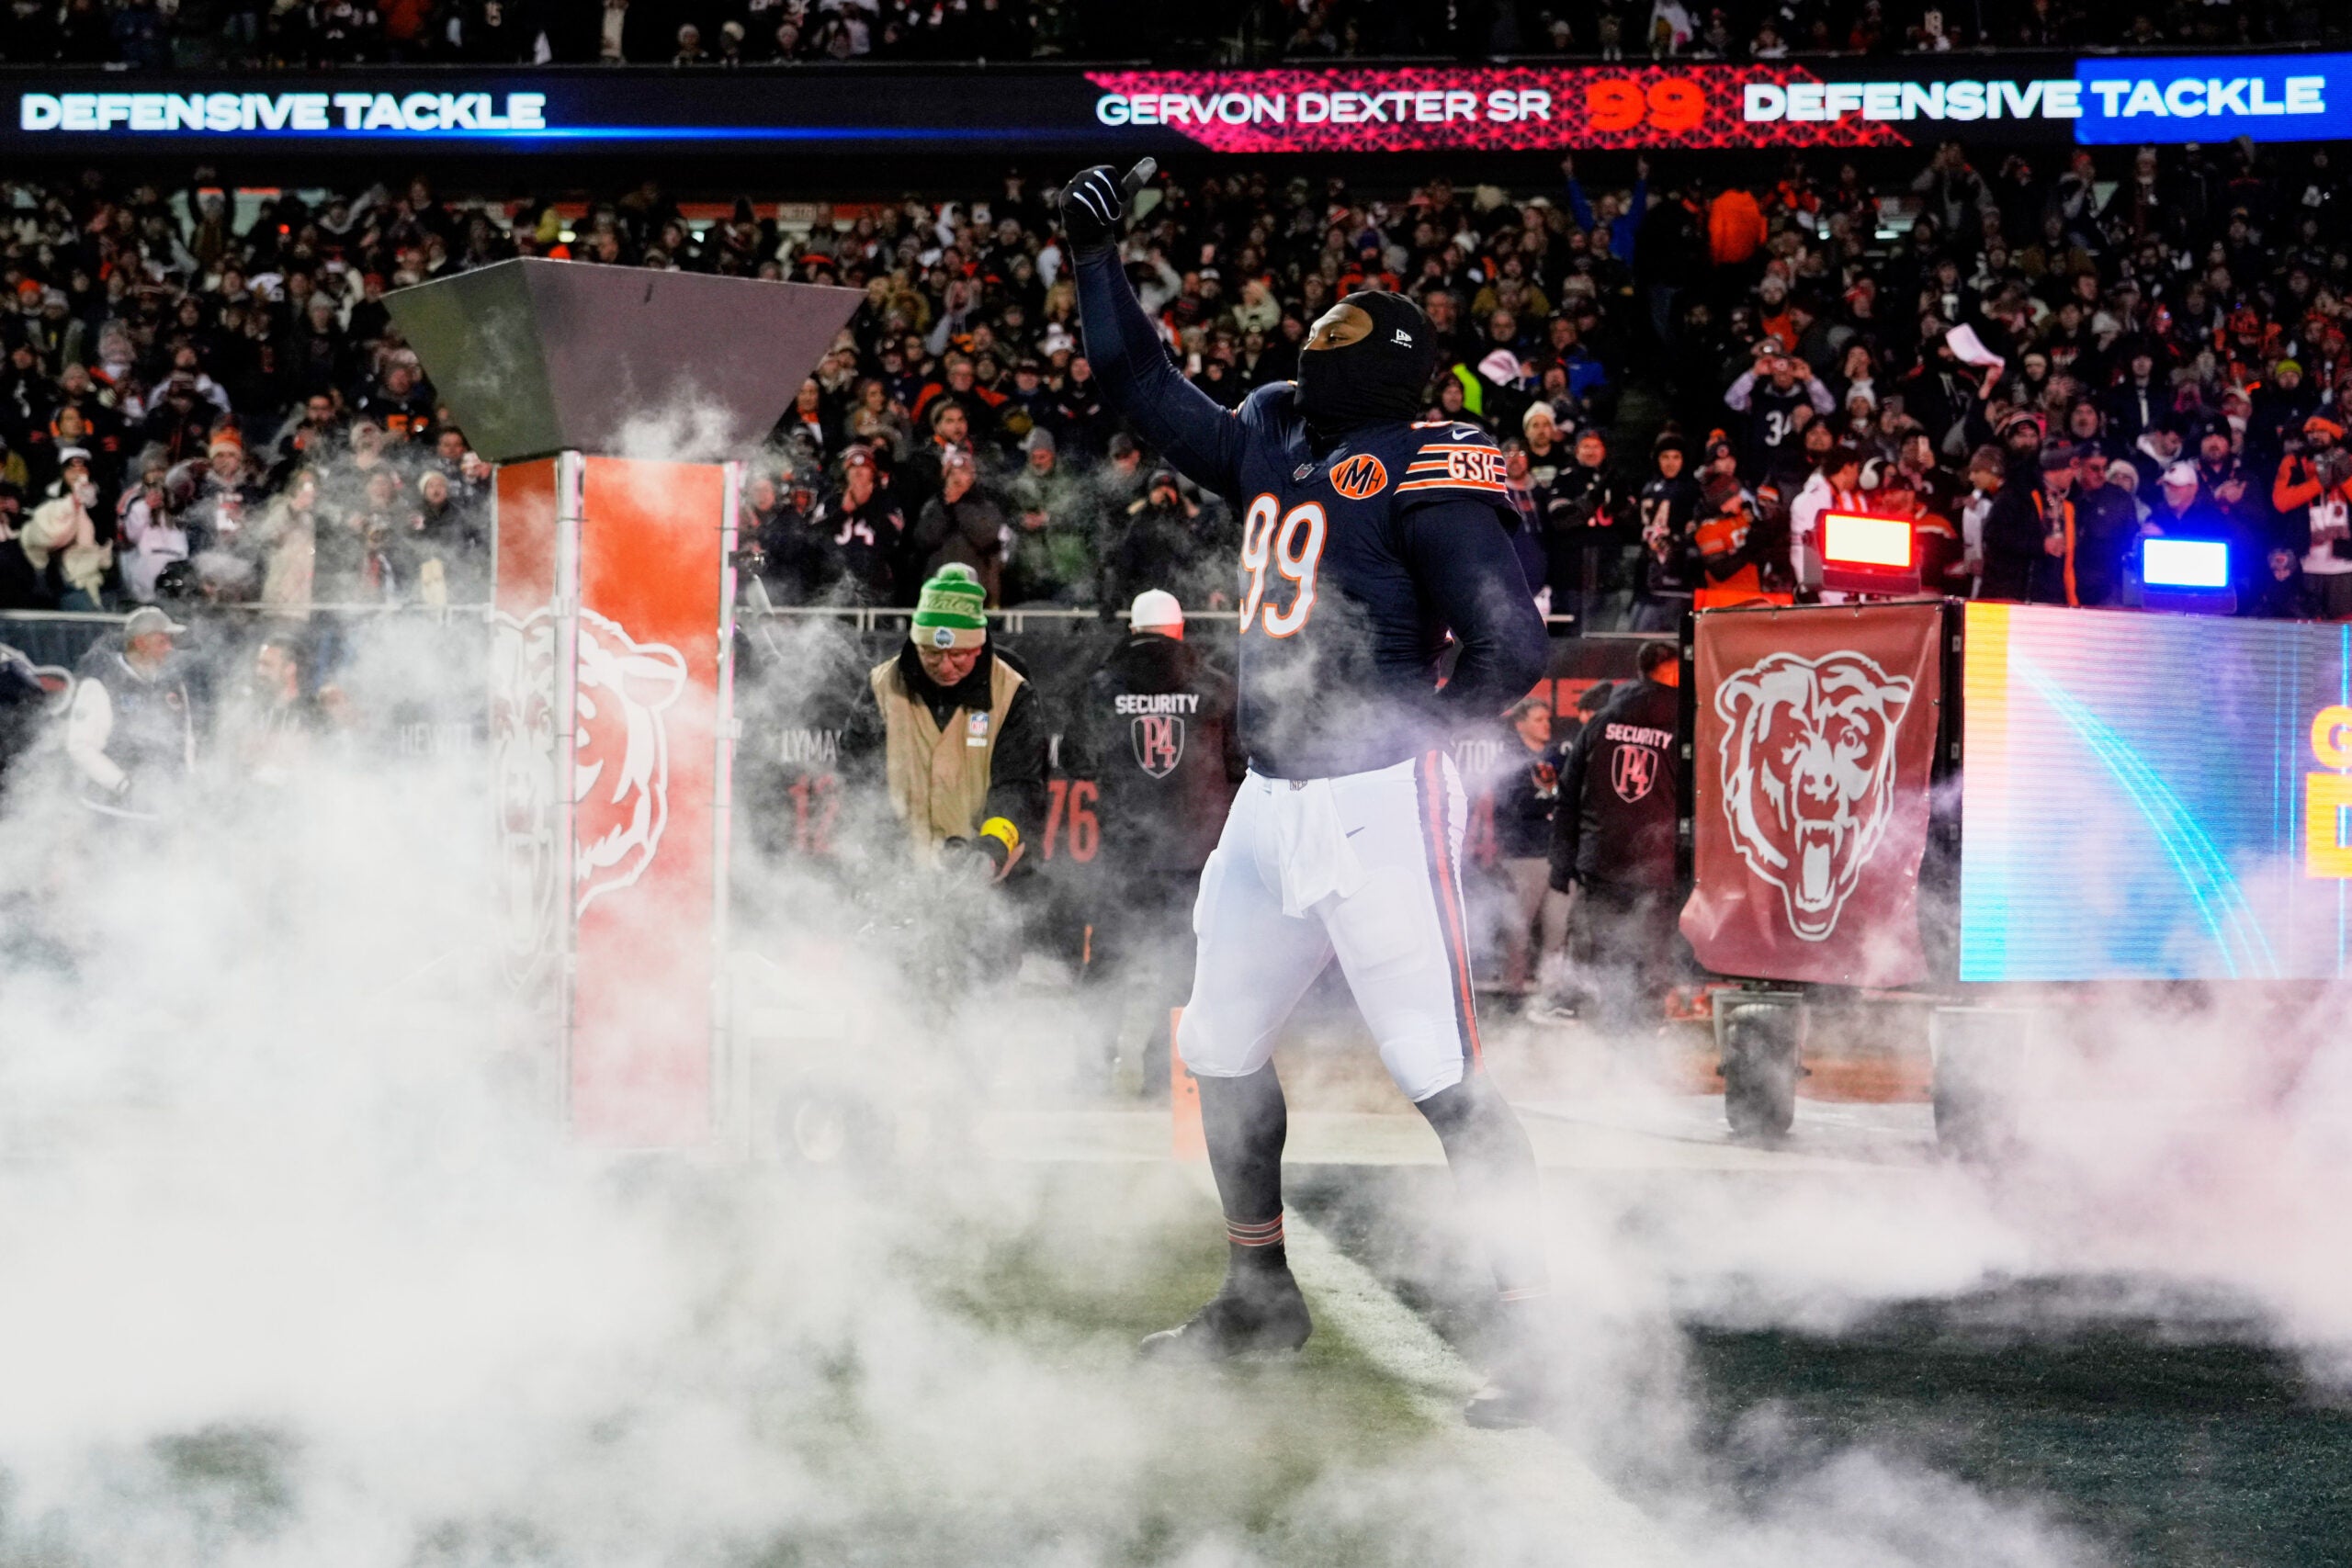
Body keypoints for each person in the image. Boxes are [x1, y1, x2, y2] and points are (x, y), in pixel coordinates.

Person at [1067, 161, 1554, 1427]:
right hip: (1270, 799)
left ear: (1392, 369)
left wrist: (1414, 732)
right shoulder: (1279, 430)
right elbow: (1140, 386)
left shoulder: (1428, 468)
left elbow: (1512, 647)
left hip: (1380, 801)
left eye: (1344, 334)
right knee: (1217, 1045)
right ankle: (1258, 1293)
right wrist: (1094, 260)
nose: (1314, 341)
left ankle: (1548, 1333)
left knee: (1442, 1075)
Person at [1068, 589, 1244, 1096]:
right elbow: (1239, 766)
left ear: (1133, 630)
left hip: (1125, 853)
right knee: (1187, 966)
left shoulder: (1101, 688)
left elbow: (1077, 758)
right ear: (1180, 631)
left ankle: (1091, 1074)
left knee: (1108, 963)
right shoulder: (1216, 689)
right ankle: (1173, 1078)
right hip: (1196, 854)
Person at [842, 564, 1045, 874]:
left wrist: (992, 849)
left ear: (977, 646)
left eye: (957, 655)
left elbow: (1019, 788)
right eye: (932, 654)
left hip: (984, 878)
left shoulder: (1012, 694)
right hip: (897, 874)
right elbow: (855, 771)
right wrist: (876, 840)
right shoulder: (882, 687)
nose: (945, 667)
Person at [1548, 639, 1682, 1035]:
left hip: (1600, 860)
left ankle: (1606, 1040)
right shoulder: (1685, 723)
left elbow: (1568, 796)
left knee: (1601, 953)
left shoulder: (1600, 722)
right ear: (1672, 672)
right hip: (1658, 864)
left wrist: (1562, 862)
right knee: (1650, 954)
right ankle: (1643, 1036)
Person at [65, 604, 194, 822]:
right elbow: (80, 745)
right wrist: (123, 784)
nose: (169, 648)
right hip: (112, 812)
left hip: (163, 810)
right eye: (162, 641)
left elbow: (186, 737)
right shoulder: (102, 682)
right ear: (141, 642)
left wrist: (188, 782)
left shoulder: (173, 683)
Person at [1491, 695, 1566, 998]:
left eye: (1547, 719)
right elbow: (1510, 806)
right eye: (1538, 720)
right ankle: (1513, 993)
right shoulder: (1510, 760)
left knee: (1557, 930)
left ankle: (1551, 994)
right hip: (1524, 855)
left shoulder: (1557, 757)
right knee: (1518, 928)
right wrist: (1549, 804)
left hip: (1559, 854)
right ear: (1520, 724)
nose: (1546, 725)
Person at [1981, 442, 2077, 604]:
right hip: (2010, 599)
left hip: (2051, 602)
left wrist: (2071, 601)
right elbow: (1993, 534)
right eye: (2071, 468)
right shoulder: (2016, 495)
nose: (2074, 474)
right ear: (2055, 467)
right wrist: (2041, 545)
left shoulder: (2067, 503)